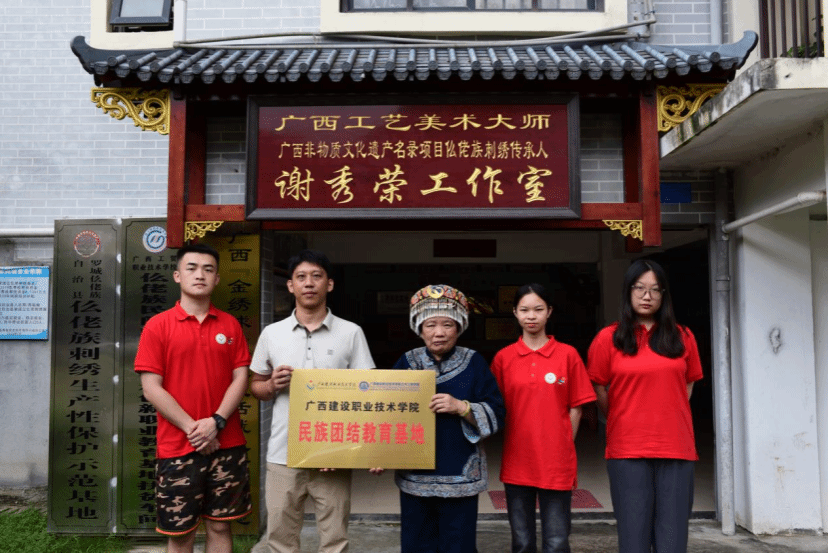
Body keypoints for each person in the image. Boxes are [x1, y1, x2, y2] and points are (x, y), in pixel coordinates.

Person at [249, 249, 375, 553]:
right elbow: (255, 386)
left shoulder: (351, 333)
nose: (309, 283)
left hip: (333, 453)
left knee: (335, 540)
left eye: (316, 276)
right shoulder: (272, 333)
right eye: (301, 277)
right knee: (279, 539)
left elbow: (368, 392)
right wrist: (271, 385)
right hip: (283, 453)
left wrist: (364, 449)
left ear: (329, 284)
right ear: (290, 285)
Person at [134, 243, 252, 553]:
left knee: (220, 525)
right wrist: (195, 430)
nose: (200, 275)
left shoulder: (230, 324)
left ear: (217, 279)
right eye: (192, 268)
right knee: (181, 533)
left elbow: (241, 378)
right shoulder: (157, 326)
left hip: (227, 443)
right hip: (177, 446)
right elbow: (151, 388)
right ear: (177, 275)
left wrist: (216, 422)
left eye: (208, 269)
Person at [586, 259, 703, 553]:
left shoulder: (683, 336)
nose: (646, 296)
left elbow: (688, 385)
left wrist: (666, 412)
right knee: (633, 538)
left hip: (676, 448)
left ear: (664, 295)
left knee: (672, 541)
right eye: (639, 288)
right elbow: (598, 387)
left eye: (654, 289)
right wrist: (623, 416)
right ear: (628, 292)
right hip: (627, 449)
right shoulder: (608, 338)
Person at [392, 284, 506, 553]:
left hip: (460, 473)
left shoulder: (474, 362)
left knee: (459, 544)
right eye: (430, 325)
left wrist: (462, 407)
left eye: (447, 324)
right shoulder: (406, 362)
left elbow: (497, 412)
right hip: (415, 476)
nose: (439, 332)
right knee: (416, 544)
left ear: (459, 327)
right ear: (419, 328)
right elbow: (387, 412)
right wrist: (380, 454)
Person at [491, 284, 596, 553]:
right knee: (522, 542)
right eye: (524, 310)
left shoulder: (568, 355)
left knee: (557, 541)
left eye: (538, 309)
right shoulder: (503, 358)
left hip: (556, 462)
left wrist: (563, 444)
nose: (531, 316)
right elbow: (493, 408)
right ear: (515, 313)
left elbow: (576, 407)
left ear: (549, 312)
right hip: (517, 459)